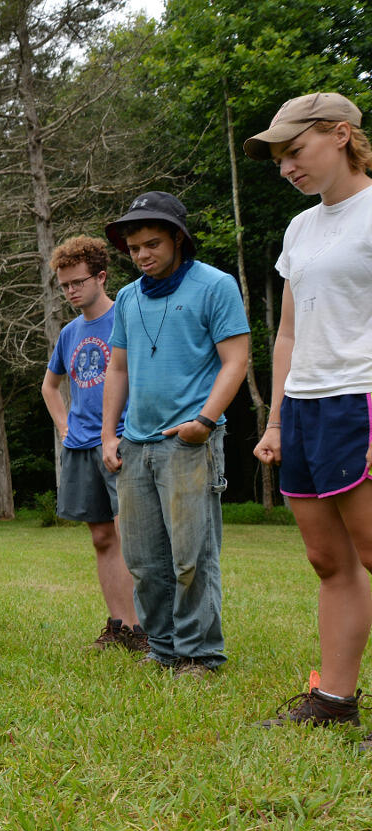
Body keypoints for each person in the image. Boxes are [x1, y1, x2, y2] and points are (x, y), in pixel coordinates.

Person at [242, 93, 372, 739]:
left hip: (363, 397)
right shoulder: (300, 229)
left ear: (341, 135)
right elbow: (288, 332)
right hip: (307, 405)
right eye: (278, 159)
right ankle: (335, 699)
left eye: (295, 151)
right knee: (328, 561)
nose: (286, 167)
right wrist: (275, 420)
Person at [100, 192, 250, 677]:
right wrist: (109, 435)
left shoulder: (215, 285)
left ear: (179, 240)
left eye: (153, 243)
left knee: (192, 555)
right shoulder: (126, 297)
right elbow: (117, 369)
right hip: (135, 445)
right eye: (134, 247)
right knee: (144, 559)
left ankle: (200, 654)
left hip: (190, 441)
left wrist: (204, 422)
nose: (142, 254)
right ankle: (163, 649)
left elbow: (236, 360)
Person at [40, 236, 146, 652]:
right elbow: (50, 386)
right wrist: (65, 427)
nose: (70, 291)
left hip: (122, 442)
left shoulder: (128, 315)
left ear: (101, 276)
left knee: (132, 538)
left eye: (78, 282)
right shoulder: (69, 332)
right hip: (81, 447)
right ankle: (119, 625)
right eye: (64, 285)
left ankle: (145, 629)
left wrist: (124, 429)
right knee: (102, 539)